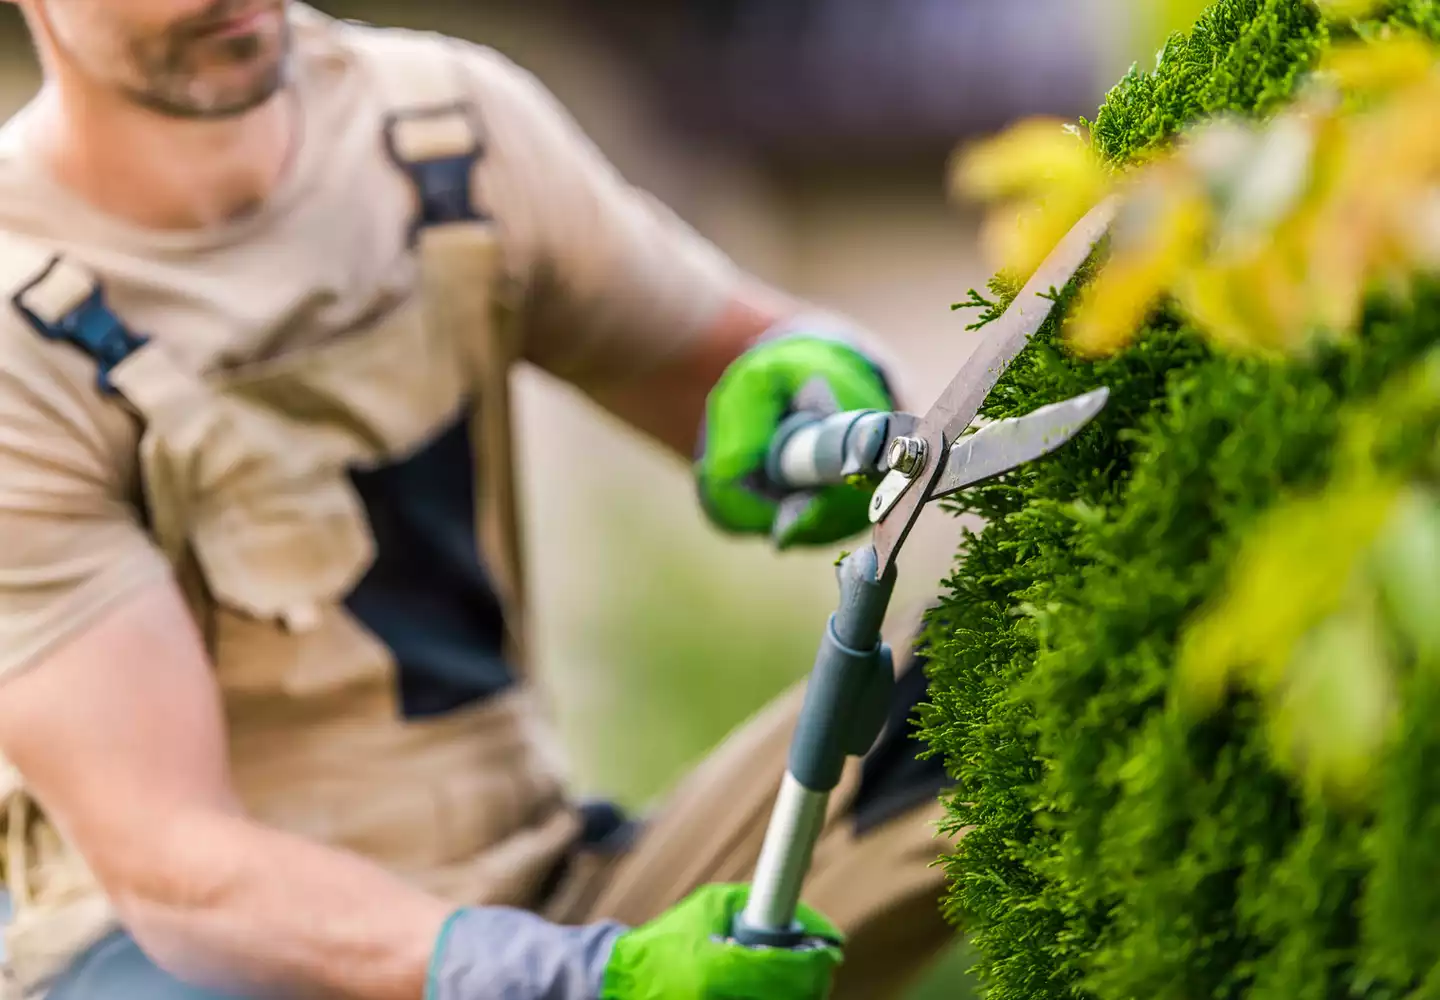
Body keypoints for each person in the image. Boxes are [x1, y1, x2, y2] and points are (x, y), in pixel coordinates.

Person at [0, 1, 957, 998]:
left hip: (547, 892)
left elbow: (730, 371)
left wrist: (821, 396)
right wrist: (584, 980)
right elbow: (178, 870)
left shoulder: (442, 129)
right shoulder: (18, 322)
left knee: (1000, 684)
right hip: (192, 964)